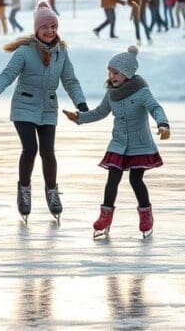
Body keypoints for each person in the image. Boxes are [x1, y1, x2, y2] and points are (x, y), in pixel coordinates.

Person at [0, 1, 88, 221]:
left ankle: (52, 192)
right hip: (24, 107)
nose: (50, 31)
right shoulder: (25, 51)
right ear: (37, 29)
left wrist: (81, 103)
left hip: (48, 107)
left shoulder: (62, 52)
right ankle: (24, 191)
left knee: (48, 151)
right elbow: (8, 73)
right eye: (45, 27)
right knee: (30, 148)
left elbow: (70, 80)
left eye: (53, 27)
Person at [63, 46, 170, 239]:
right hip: (118, 143)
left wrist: (163, 124)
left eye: (116, 73)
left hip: (139, 144)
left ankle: (146, 215)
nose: (111, 76)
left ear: (127, 73)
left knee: (135, 180)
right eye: (110, 72)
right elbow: (100, 112)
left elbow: (155, 107)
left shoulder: (141, 91)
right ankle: (105, 217)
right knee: (112, 179)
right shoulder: (111, 92)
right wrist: (79, 117)